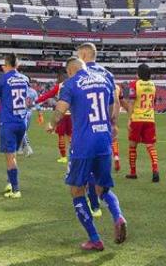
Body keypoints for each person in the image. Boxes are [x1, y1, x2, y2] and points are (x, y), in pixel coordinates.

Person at [48, 57, 127, 251]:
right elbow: (112, 112)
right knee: (103, 188)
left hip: (83, 144)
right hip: (103, 141)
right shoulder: (104, 79)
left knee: (76, 190)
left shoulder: (71, 83)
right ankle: (118, 216)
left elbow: (60, 110)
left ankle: (95, 239)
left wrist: (52, 124)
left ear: (70, 71)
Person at [0, 54, 30, 199]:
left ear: (6, 64)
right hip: (22, 121)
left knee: (10, 156)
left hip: (8, 121)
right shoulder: (25, 79)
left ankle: (16, 189)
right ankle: (10, 182)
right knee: (13, 154)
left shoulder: (3, 79)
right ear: (17, 64)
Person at [76, 42, 121, 172]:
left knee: (80, 177)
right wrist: (112, 123)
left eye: (78, 55)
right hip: (103, 129)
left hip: (84, 130)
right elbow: (115, 102)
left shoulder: (79, 73)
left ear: (84, 55)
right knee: (100, 176)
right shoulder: (107, 74)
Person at [121, 64, 160, 182]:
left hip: (137, 118)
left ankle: (133, 172)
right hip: (150, 118)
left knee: (132, 146)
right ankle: (155, 169)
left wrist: (129, 118)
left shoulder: (135, 84)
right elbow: (153, 102)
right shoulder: (153, 85)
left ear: (138, 73)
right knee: (151, 146)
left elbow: (132, 102)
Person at [39, 70, 71, 163]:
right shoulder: (73, 85)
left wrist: (37, 101)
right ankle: (74, 155)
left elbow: (48, 95)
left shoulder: (59, 86)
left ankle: (63, 157)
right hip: (72, 115)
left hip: (61, 113)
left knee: (61, 136)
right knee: (71, 136)